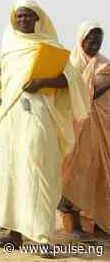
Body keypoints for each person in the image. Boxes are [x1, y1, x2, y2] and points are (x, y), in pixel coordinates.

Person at [0, 0, 90, 253]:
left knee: (40, 173)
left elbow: (72, 80)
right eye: (19, 16)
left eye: (28, 16)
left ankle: (42, 238)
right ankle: (14, 234)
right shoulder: (9, 46)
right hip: (12, 119)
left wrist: (42, 81)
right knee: (13, 173)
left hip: (40, 116)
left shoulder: (49, 46)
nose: (23, 20)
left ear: (38, 18)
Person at [60, 23, 110, 237]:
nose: (94, 45)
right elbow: (76, 94)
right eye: (90, 40)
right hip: (74, 128)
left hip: (101, 129)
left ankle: (99, 222)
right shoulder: (70, 64)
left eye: (98, 41)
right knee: (72, 175)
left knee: (99, 174)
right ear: (81, 40)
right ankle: (76, 225)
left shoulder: (105, 64)